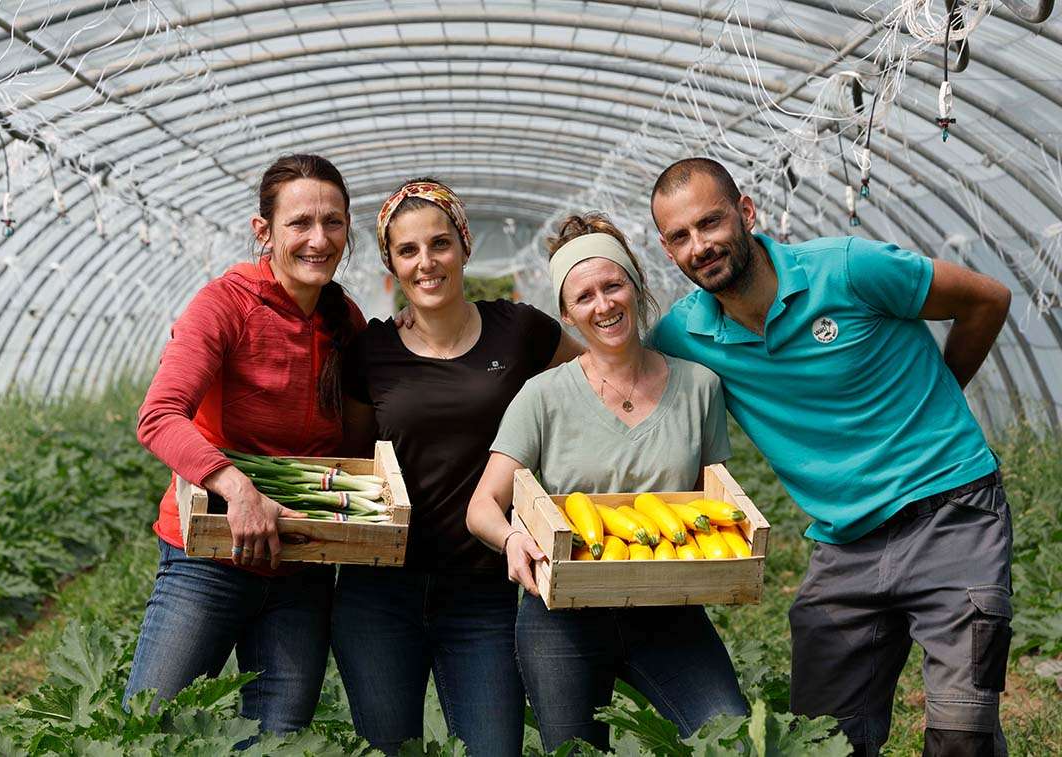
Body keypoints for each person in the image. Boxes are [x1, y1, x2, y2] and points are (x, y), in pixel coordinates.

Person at [647, 157, 1013, 757]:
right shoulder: (684, 336)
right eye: (681, 237)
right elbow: (614, 377)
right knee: (821, 741)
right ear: (667, 250)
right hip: (845, 546)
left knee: (961, 735)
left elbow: (986, 300)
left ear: (746, 213)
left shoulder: (847, 269)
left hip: (953, 511)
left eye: (710, 223)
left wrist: (942, 393)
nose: (700, 246)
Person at [466, 213, 748, 753]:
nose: (604, 305)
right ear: (567, 312)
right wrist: (511, 539)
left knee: (730, 736)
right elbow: (483, 504)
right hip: (563, 619)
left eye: (613, 285)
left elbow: (716, 495)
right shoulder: (542, 396)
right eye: (585, 296)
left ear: (636, 285)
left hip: (671, 611)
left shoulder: (699, 388)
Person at [335, 178, 581, 756]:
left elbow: (594, 379)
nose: (427, 263)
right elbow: (353, 457)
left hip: (483, 590)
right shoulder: (371, 352)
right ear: (390, 264)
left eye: (440, 244)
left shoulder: (520, 331)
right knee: (388, 748)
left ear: (465, 246)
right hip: (380, 594)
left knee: (496, 747)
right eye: (408, 251)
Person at [125, 154, 365, 733]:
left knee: (277, 739)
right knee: (151, 726)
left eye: (333, 223)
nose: (318, 238)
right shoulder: (224, 305)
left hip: (302, 564)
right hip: (206, 556)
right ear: (265, 232)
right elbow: (158, 416)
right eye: (300, 223)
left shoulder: (345, 320)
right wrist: (238, 489)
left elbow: (363, 435)